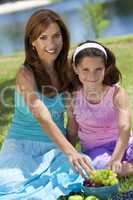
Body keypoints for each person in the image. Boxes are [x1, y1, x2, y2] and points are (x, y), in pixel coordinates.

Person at [0, 10, 93, 200]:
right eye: (43, 37)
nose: (51, 44)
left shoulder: (68, 70)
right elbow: (42, 116)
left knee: (83, 166)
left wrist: (71, 153)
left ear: (63, 36)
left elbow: (72, 121)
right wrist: (71, 152)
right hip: (21, 147)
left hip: (55, 147)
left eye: (56, 36)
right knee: (9, 184)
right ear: (32, 41)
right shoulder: (25, 74)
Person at [66, 40, 133, 176]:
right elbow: (72, 130)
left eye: (98, 69)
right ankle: (125, 168)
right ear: (75, 68)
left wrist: (116, 158)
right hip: (95, 150)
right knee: (94, 168)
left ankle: (123, 166)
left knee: (114, 164)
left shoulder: (116, 93)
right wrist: (68, 154)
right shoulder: (72, 98)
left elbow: (124, 127)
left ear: (105, 68)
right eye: (85, 69)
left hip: (124, 142)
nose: (92, 76)